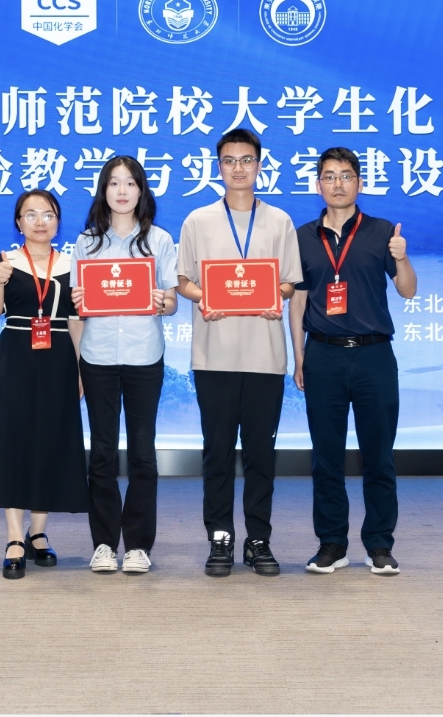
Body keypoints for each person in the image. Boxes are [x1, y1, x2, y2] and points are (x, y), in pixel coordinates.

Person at [176, 128, 303, 577]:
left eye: (246, 160)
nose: (238, 168)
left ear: (259, 165)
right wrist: (204, 297)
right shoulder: (198, 220)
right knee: (216, 453)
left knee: (260, 456)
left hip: (266, 358)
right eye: (229, 160)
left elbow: (289, 282)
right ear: (218, 167)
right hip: (213, 357)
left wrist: (276, 296)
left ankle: (258, 539)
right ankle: (220, 538)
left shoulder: (280, 221)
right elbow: (184, 281)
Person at [288, 147, 417, 576]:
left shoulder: (381, 231)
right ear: (318, 185)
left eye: (345, 175)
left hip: (374, 355)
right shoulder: (303, 236)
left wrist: (401, 257)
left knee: (379, 456)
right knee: (325, 458)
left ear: (359, 183)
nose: (337, 183)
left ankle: (379, 544)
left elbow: (408, 290)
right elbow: (298, 301)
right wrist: (299, 356)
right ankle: (331, 544)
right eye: (329, 176)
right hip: (323, 354)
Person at [69, 156, 178, 575]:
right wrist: (79, 302)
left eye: (130, 183)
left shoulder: (159, 240)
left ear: (141, 190)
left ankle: (137, 545)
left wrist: (161, 301)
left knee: (142, 453)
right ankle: (103, 543)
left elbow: (171, 302)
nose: (121, 190)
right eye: (113, 183)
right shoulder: (87, 243)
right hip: (97, 356)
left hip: (143, 355)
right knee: (101, 452)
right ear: (103, 190)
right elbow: (78, 307)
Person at [0, 189, 89, 579]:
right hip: (16, 357)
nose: (41, 221)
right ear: (18, 222)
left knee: (50, 441)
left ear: (58, 222)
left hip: (58, 358)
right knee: (15, 441)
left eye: (48, 214)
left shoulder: (73, 264)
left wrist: (79, 369)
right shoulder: (4, 261)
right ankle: (14, 537)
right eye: (31, 214)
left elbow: (76, 321)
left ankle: (38, 532)